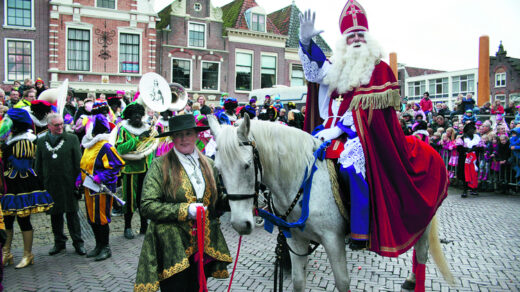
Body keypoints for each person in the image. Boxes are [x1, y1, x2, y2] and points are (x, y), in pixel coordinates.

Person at [299, 2, 447, 256]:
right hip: (327, 130)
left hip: (359, 136)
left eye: (360, 34)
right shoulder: (338, 66)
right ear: (344, 41)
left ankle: (359, 230)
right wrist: (304, 42)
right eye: (351, 35)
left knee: (351, 169)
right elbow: (316, 73)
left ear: (367, 38)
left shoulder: (380, 70)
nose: (356, 39)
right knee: (297, 161)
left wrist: (340, 130)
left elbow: (376, 116)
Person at [134, 114, 231, 291]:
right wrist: (185, 210)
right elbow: (147, 206)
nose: (184, 139)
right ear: (172, 138)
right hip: (172, 246)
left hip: (201, 246)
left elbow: (215, 204)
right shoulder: (159, 165)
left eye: (188, 133)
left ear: (196, 135)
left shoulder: (209, 164)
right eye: (179, 135)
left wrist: (237, 200)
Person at [0, 109, 54, 268]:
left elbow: (21, 165)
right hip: (8, 183)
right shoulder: (11, 139)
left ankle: (27, 254)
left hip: (22, 183)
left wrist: (6, 153)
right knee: (7, 219)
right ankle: (6, 253)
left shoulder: (27, 139)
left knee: (23, 219)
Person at [35, 113, 85, 256]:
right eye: (56, 125)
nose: (60, 127)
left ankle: (78, 242)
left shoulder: (72, 139)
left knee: (72, 215)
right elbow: (38, 164)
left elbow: (78, 163)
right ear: (49, 126)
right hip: (51, 184)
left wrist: (79, 184)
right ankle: (59, 242)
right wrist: (40, 184)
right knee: (55, 215)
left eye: (61, 124)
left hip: (68, 184)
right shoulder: (41, 141)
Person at [76, 114, 125, 261]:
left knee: (101, 218)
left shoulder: (106, 146)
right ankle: (98, 245)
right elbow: (84, 165)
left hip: (101, 189)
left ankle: (106, 247)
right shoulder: (89, 146)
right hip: (88, 188)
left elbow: (117, 164)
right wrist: (80, 178)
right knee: (92, 218)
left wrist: (101, 177)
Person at [115, 102, 152, 239]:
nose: (137, 116)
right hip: (130, 170)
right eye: (134, 114)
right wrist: (138, 139)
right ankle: (127, 227)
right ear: (129, 116)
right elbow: (120, 148)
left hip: (144, 169)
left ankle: (144, 226)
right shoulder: (123, 130)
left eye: (139, 114)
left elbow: (151, 147)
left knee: (144, 199)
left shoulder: (147, 128)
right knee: (129, 200)